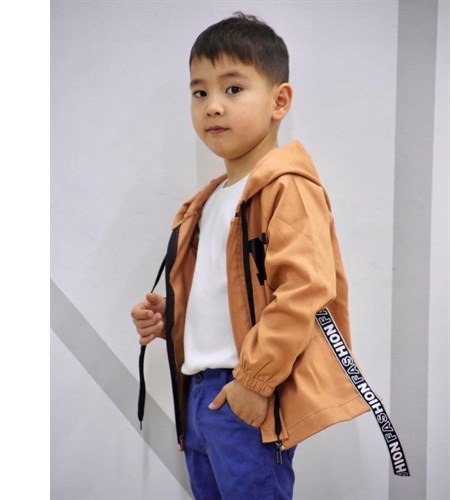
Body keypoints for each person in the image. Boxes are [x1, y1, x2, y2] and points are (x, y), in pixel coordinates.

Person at [131, 12, 369, 499]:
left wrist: (255, 383)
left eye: (233, 89)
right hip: (199, 393)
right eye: (200, 92)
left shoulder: (287, 189)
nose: (213, 106)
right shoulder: (207, 201)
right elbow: (230, 296)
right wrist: (171, 316)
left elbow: (304, 291)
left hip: (246, 393)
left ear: (279, 101)